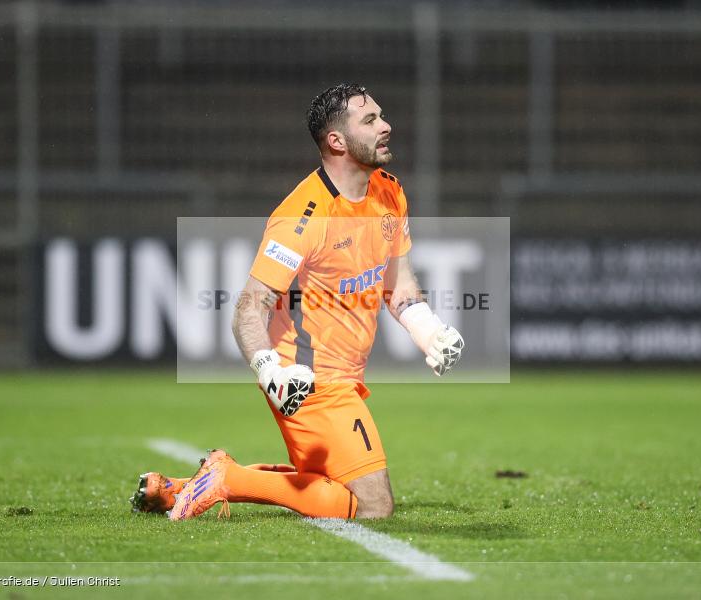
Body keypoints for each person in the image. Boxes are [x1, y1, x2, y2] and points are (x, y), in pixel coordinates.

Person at [131, 83, 464, 520]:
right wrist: (273, 374)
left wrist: (428, 330)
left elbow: (398, 287)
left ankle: (186, 488)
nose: (386, 126)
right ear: (336, 141)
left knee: (330, 489)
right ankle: (228, 479)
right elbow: (248, 309)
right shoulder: (302, 216)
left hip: (345, 377)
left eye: (381, 116)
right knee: (373, 506)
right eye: (370, 120)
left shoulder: (389, 192)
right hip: (308, 382)